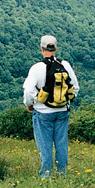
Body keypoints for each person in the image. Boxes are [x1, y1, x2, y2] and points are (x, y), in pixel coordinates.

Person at [23, 35, 80, 179]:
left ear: (41, 48)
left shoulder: (37, 68)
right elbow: (75, 88)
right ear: (55, 48)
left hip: (43, 112)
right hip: (62, 112)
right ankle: (61, 175)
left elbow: (29, 91)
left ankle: (45, 176)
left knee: (45, 146)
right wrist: (65, 102)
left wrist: (30, 104)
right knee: (61, 144)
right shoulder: (65, 65)